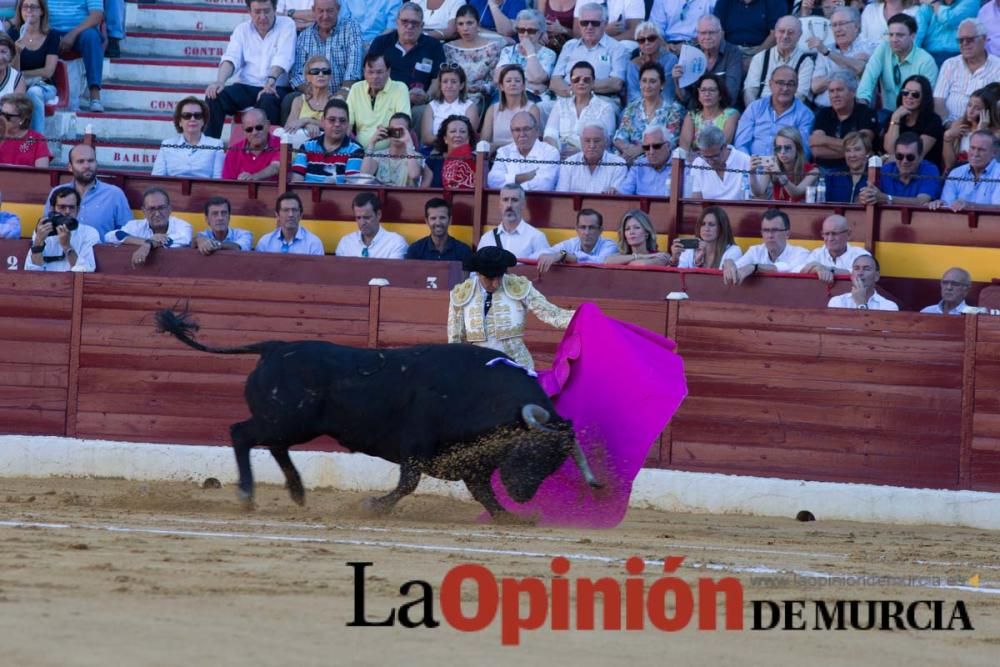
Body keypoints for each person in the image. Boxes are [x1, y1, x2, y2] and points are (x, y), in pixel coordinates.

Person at [447, 245, 575, 372]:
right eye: (490, 279)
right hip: (479, 369)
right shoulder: (461, 294)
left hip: (517, 367)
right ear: (478, 274)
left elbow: (553, 314)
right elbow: (455, 340)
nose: (496, 283)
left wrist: (585, 319)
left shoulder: (519, 286)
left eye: (499, 276)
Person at [204, 0, 296, 138]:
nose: (263, 17)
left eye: (267, 11)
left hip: (276, 87)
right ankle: (208, 147)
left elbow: (284, 57)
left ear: (275, 9)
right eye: (257, 12)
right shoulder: (242, 29)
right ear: (249, 11)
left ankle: (267, 152)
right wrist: (220, 81)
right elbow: (231, 58)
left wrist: (270, 81)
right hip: (247, 86)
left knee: (268, 98)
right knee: (214, 96)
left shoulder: (287, 24)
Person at [367, 3, 446, 114]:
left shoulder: (433, 46)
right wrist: (401, 97)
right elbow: (370, 76)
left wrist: (427, 96)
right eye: (405, 21)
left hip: (418, 104)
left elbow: (437, 78)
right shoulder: (381, 43)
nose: (409, 26)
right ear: (397, 22)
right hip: (385, 100)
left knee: (422, 112)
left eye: (415, 23)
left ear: (422, 25)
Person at [856, 13, 938, 116]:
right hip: (887, 113)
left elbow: (926, 99)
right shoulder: (884, 49)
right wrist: (862, 103)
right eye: (891, 35)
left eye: (900, 35)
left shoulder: (926, 61)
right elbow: (869, 77)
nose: (894, 39)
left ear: (912, 36)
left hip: (915, 116)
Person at [549, 3, 628, 108]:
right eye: (584, 23)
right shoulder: (569, 46)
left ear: (604, 24)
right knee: (541, 108)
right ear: (579, 24)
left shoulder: (617, 48)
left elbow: (616, 83)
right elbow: (554, 82)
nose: (589, 27)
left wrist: (579, 87)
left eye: (595, 23)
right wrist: (575, 91)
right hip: (567, 99)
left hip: (601, 101)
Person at [44, 143, 130, 239]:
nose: (87, 166)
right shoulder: (58, 192)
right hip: (63, 251)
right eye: (80, 162)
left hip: (102, 253)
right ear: (70, 167)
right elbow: (47, 229)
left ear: (96, 163)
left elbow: (126, 234)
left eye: (91, 161)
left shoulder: (114, 194)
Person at [287, 0, 363, 106]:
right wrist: (309, 91)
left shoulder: (351, 28)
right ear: (313, 11)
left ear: (338, 9)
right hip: (313, 94)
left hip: (344, 92)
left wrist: (343, 92)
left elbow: (354, 67)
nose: (325, 16)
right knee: (289, 100)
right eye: (320, 11)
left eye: (330, 11)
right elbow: (296, 73)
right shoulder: (305, 36)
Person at [735, 66, 816, 161]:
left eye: (791, 84)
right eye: (780, 83)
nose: (785, 88)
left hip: (786, 170)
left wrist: (782, 168)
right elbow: (741, 144)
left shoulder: (805, 114)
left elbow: (803, 152)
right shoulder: (755, 108)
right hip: (752, 168)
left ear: (797, 87)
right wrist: (750, 166)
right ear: (770, 84)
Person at [612, 62, 684, 166]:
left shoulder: (673, 110)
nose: (647, 86)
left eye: (652, 81)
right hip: (630, 159)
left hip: (658, 162)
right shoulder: (632, 108)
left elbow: (670, 142)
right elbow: (620, 136)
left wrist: (640, 150)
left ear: (662, 84)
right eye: (644, 81)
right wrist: (628, 150)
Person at [932, 18, 1000, 125]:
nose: (964, 44)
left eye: (969, 39)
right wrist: (948, 124)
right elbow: (938, 101)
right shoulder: (950, 64)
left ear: (984, 39)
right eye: (960, 40)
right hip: (949, 127)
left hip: (983, 130)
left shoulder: (998, 66)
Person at [808, 71, 879, 173]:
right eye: (831, 91)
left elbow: (864, 146)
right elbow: (816, 151)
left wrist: (824, 140)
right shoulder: (823, 113)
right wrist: (854, 150)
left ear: (852, 92)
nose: (835, 95)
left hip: (857, 171)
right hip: (826, 170)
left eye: (839, 90)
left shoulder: (866, 113)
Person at [106, 187, 194, 269]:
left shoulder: (183, 226)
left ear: (169, 209)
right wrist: (145, 242)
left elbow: (175, 240)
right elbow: (112, 236)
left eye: (161, 208)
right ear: (144, 211)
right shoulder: (135, 226)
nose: (157, 214)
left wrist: (149, 244)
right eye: (151, 209)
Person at [543, 60, 616, 159]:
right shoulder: (560, 104)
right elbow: (549, 134)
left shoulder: (605, 108)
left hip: (590, 158)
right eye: (576, 79)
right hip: (560, 156)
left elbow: (606, 141)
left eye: (586, 80)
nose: (581, 82)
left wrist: (581, 153)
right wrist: (557, 152)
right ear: (570, 83)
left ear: (593, 82)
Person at [810, 6, 876, 108]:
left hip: (856, 110)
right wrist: (848, 68)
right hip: (824, 109)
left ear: (856, 26)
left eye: (842, 24)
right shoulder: (824, 50)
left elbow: (860, 68)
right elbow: (815, 86)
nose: (838, 29)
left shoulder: (869, 47)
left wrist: (828, 53)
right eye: (834, 25)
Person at [722, 208, 810, 284]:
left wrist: (755, 267)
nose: (770, 235)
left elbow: (786, 268)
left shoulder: (801, 253)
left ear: (787, 234)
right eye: (766, 230)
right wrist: (729, 262)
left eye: (775, 230)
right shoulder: (755, 251)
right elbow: (738, 267)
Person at [672, 15, 743, 106]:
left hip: (724, 109)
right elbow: (684, 98)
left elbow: (731, 92)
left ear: (720, 34)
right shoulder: (690, 54)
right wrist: (677, 81)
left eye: (711, 33)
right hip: (695, 110)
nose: (707, 37)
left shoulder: (733, 53)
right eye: (703, 33)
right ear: (697, 35)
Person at [744, 15, 815, 107]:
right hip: (760, 111)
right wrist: (755, 114)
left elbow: (800, 96)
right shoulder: (759, 58)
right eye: (781, 31)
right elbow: (750, 91)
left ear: (799, 35)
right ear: (775, 33)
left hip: (790, 113)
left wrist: (779, 114)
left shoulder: (805, 62)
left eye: (791, 32)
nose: (785, 36)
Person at [25, 186, 98, 272]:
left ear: (77, 210)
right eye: (62, 207)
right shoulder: (44, 230)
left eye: (71, 208)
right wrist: (38, 242)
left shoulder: (89, 233)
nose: (67, 211)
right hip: (44, 283)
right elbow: (32, 270)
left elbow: (85, 271)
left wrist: (67, 246)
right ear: (52, 209)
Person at [346, 52, 411, 150]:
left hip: (390, 153)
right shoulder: (356, 88)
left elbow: (403, 126)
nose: (375, 76)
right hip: (359, 152)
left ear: (388, 71)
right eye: (370, 72)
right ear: (364, 72)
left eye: (379, 72)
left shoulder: (400, 88)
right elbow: (347, 123)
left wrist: (383, 134)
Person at [443, 4, 502, 111]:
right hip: (453, 96)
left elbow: (496, 81)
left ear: (478, 25)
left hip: (481, 98)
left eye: (470, 23)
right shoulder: (448, 48)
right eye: (460, 24)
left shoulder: (493, 47)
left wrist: (481, 88)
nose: (465, 28)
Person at [290, 98, 364, 183]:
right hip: (306, 195)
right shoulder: (307, 146)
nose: (337, 124)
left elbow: (350, 188)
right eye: (332, 120)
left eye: (342, 120)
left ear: (347, 123)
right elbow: (297, 183)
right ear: (323, 121)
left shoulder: (355, 150)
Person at [12, 0, 59, 133]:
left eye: (33, 7)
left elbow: (48, 72)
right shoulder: (14, 34)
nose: (29, 10)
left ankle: (37, 142)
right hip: (19, 85)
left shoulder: (52, 35)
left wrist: (24, 74)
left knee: (33, 92)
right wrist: (17, 53)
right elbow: (14, 73)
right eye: (25, 7)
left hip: (44, 85)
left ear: (42, 11)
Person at [858, 132, 942, 206]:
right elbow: (868, 196)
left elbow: (921, 202)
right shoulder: (886, 170)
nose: (904, 161)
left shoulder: (930, 170)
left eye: (910, 157)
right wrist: (865, 197)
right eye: (899, 156)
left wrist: (887, 198)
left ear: (920, 157)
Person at [48, 0, 102, 111]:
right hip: (50, 30)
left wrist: (73, 33)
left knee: (91, 37)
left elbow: (97, 15)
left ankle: (94, 95)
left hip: (81, 31)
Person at [486, 109, 560, 191]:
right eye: (517, 130)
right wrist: (522, 177)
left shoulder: (550, 152)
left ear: (536, 130)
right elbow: (492, 181)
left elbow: (544, 185)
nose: (522, 134)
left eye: (526, 129)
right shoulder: (503, 152)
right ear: (512, 132)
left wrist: (510, 183)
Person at [151, 97, 224, 179]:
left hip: (205, 191)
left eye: (197, 115)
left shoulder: (216, 145)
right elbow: (157, 179)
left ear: (203, 121)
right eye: (187, 116)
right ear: (179, 122)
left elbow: (218, 180)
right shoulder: (167, 145)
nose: (192, 119)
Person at [493, 9, 556, 101]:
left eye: (531, 31)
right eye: (521, 30)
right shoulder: (508, 50)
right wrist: (530, 83)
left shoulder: (549, 54)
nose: (525, 35)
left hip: (532, 98)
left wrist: (530, 51)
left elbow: (537, 77)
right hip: (506, 96)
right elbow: (498, 77)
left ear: (541, 33)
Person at [929, 130, 1000, 211]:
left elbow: (998, 209)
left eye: (981, 150)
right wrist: (939, 205)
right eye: (972, 148)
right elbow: (948, 205)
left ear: (994, 153)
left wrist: (970, 206)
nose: (975, 154)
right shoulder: (956, 173)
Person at [882, 74, 943, 167]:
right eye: (905, 92)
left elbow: (916, 155)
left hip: (923, 170)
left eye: (915, 94)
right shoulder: (894, 116)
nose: (909, 96)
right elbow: (890, 148)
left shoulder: (933, 121)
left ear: (924, 98)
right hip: (896, 167)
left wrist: (887, 158)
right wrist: (895, 119)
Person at [476, 183, 550, 258]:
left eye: (514, 200)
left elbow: (545, 267)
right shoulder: (487, 238)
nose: (509, 205)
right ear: (499, 204)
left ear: (523, 204)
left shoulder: (536, 237)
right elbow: (476, 268)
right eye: (505, 200)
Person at [480, 64, 541, 153]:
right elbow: (484, 142)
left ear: (523, 86)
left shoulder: (532, 109)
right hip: (496, 158)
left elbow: (533, 141)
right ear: (501, 86)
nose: (513, 83)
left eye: (517, 81)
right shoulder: (492, 109)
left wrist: (498, 145)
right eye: (508, 81)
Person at [749, 126, 820, 202]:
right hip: (777, 212)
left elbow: (796, 193)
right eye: (779, 148)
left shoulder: (813, 171)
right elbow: (758, 192)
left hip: (802, 212)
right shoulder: (772, 166)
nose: (782, 152)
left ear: (798, 149)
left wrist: (780, 175)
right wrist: (752, 172)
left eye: (787, 148)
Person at [535, 208, 616, 273]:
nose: (586, 233)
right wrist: (546, 255)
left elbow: (600, 261)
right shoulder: (571, 243)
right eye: (583, 227)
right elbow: (539, 254)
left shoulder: (610, 245)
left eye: (591, 228)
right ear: (576, 229)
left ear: (600, 230)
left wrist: (565, 255)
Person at [678, 73, 740, 158]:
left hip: (719, 160)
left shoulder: (731, 115)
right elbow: (684, 148)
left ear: (720, 95)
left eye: (712, 90)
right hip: (693, 163)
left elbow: (724, 144)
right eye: (703, 90)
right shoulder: (692, 116)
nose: (707, 94)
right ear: (698, 95)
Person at [360, 112, 430, 187]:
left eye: (400, 130)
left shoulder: (415, 156)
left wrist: (408, 142)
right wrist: (372, 143)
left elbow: (414, 174)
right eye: (392, 130)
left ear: (409, 132)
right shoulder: (379, 155)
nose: (396, 134)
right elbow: (364, 175)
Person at [420, 63, 480, 148]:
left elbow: (470, 136)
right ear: (440, 85)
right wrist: (450, 140)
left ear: (461, 85)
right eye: (445, 82)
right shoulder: (432, 106)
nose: (449, 85)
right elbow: (426, 138)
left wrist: (447, 140)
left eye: (454, 82)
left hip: (461, 152)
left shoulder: (470, 106)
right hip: (434, 150)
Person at [555, 124, 628, 194]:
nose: (592, 145)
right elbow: (561, 198)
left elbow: (618, 200)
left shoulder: (619, 164)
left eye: (596, 141)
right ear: (581, 141)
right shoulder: (569, 163)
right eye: (587, 141)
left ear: (606, 142)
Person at [798, 214, 871, 283]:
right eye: (826, 234)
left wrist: (829, 270)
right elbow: (799, 269)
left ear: (848, 234)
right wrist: (817, 269)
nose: (830, 238)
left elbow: (861, 274)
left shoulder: (861, 255)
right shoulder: (817, 254)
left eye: (834, 234)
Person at [335, 191, 408, 259]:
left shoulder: (395, 243)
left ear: (378, 215)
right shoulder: (346, 242)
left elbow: (393, 272)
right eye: (358, 218)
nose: (362, 222)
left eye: (366, 217)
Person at [942, 87, 1000, 172]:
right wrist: (947, 138)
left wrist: (980, 132)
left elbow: (978, 165)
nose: (971, 111)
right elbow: (950, 165)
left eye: (977, 108)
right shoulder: (959, 125)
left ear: (988, 112)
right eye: (969, 105)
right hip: (957, 175)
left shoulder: (996, 135)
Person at [282, 54, 334, 147]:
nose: (321, 74)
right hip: (298, 152)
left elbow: (336, 127)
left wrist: (306, 121)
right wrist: (305, 126)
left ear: (330, 76)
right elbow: (289, 128)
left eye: (325, 71)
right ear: (307, 77)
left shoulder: (336, 101)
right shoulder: (299, 101)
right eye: (315, 71)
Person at [689, 125, 752, 201]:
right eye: (706, 157)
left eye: (714, 156)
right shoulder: (698, 163)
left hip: (740, 210)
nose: (710, 162)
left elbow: (755, 196)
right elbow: (696, 200)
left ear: (724, 147)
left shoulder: (744, 160)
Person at [668, 205, 743, 270]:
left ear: (722, 228)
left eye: (711, 224)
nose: (706, 229)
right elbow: (676, 279)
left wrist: (699, 265)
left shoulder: (733, 251)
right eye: (703, 224)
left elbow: (723, 282)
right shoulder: (690, 250)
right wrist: (675, 260)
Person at [712, 0, 787, 64]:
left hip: (762, 50)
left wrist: (755, 59)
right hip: (730, 51)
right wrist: (728, 57)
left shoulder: (775, 1)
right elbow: (719, 31)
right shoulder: (724, 2)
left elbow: (775, 34)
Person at [625, 21, 677, 107]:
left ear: (660, 40)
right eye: (641, 40)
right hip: (639, 107)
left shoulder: (670, 60)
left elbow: (667, 93)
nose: (646, 43)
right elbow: (633, 95)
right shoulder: (633, 64)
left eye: (651, 38)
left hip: (665, 105)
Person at [222, 107, 282, 181]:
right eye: (249, 129)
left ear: (267, 125)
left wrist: (253, 177)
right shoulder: (233, 151)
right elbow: (227, 184)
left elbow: (276, 167)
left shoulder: (281, 144)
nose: (254, 133)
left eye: (259, 127)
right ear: (244, 131)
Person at [405, 196, 473, 261]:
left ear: (450, 220)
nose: (438, 223)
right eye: (433, 218)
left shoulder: (463, 251)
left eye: (442, 218)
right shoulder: (415, 250)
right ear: (426, 221)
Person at [255, 192, 325, 254]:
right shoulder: (265, 242)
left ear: (301, 215)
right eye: (285, 210)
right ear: (277, 215)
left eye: (294, 210)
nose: (291, 214)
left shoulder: (313, 243)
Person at [615, 124, 672, 197]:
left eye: (656, 146)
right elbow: (623, 194)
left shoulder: (682, 167)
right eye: (647, 147)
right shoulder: (638, 166)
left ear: (668, 145)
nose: (651, 152)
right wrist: (614, 192)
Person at [827, 254, 899, 310]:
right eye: (856, 268)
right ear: (852, 276)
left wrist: (861, 304)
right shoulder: (838, 301)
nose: (860, 273)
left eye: (867, 269)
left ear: (876, 276)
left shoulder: (889, 306)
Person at [921, 0, 981, 67]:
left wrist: (937, 6)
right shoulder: (928, 5)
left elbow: (950, 20)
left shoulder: (971, 2)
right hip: (930, 53)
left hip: (957, 53)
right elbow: (919, 31)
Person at [604, 209, 670, 267]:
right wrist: (640, 256)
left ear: (647, 232)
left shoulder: (661, 256)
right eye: (627, 229)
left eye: (637, 228)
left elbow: (642, 265)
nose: (631, 232)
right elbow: (607, 261)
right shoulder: (623, 255)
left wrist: (622, 262)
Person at [427, 114, 477, 190]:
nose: (458, 135)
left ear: (468, 138)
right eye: (453, 131)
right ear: (445, 139)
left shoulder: (477, 160)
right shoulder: (433, 160)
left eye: (463, 132)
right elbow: (423, 191)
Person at [0, 92, 49, 167]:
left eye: (8, 116)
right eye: (1, 114)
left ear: (22, 119)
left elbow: (42, 174)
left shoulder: (38, 140)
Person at [825, 131, 872, 203]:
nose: (852, 155)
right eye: (848, 150)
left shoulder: (877, 177)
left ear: (867, 153)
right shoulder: (833, 175)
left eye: (857, 149)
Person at [649, 0, 716, 45]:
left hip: (698, 44)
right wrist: (665, 46)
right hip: (668, 45)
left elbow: (717, 29)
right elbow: (655, 29)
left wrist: (688, 45)